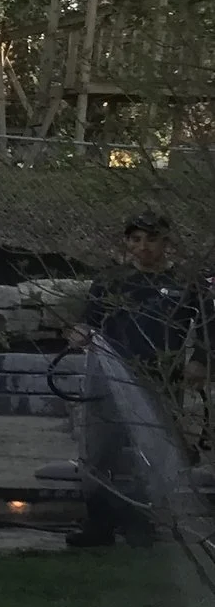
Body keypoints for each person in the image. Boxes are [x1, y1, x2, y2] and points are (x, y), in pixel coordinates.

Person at [68, 210, 205, 546]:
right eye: (135, 239)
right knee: (100, 452)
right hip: (108, 383)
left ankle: (144, 522)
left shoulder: (185, 284)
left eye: (151, 239)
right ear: (127, 242)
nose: (143, 247)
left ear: (166, 242)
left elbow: (206, 328)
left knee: (155, 454)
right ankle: (99, 524)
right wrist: (80, 332)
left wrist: (200, 361)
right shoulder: (111, 281)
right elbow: (90, 318)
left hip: (161, 381)